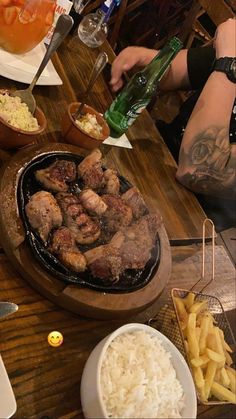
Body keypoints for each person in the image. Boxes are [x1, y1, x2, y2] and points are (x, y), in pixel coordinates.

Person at [109, 18, 236, 230]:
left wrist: (229, 64)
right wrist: (147, 59)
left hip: (190, 218)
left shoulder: (231, 61)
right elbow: (178, 71)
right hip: (156, 163)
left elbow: (196, 170)